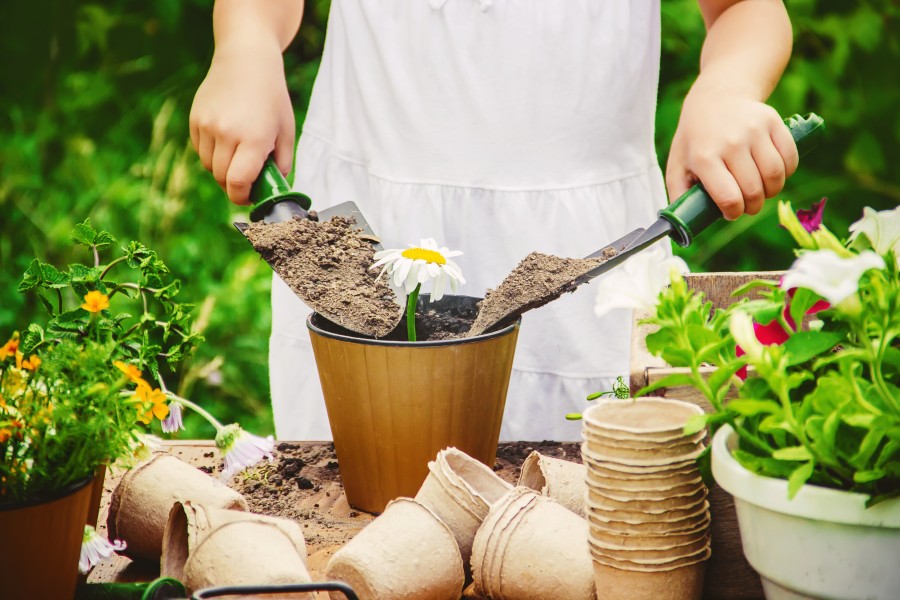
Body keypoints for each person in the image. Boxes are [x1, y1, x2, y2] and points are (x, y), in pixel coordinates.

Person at [190, 0, 798, 441]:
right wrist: (244, 45)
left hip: (587, 270)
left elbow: (746, 9)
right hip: (369, 239)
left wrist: (726, 88)